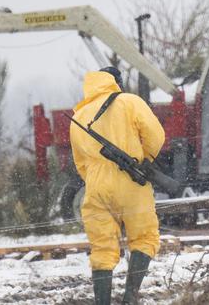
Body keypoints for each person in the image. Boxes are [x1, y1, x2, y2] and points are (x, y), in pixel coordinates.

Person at [69, 67, 166, 305]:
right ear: (116, 82)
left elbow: (80, 163)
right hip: (130, 181)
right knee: (144, 238)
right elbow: (156, 136)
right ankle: (130, 297)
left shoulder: (78, 116)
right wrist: (144, 161)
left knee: (102, 248)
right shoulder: (129, 101)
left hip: (95, 187)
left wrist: (96, 177)